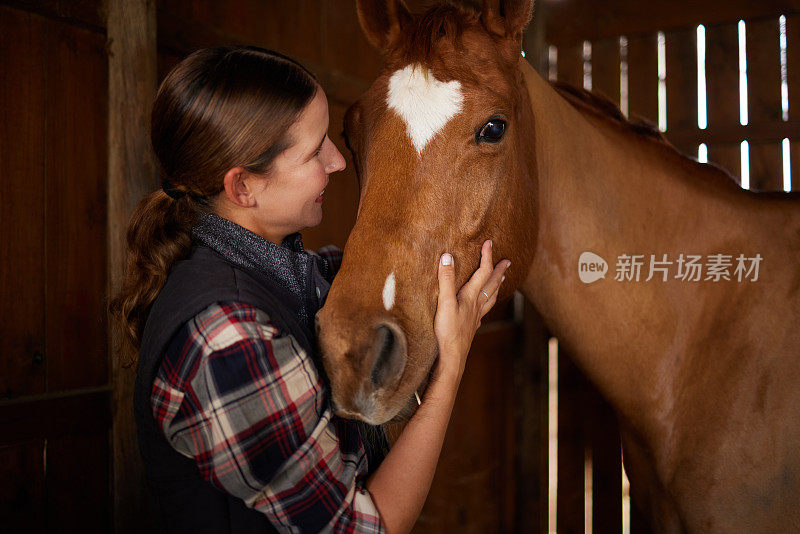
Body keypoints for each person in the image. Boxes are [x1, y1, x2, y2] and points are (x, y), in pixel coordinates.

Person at [110, 45, 510, 534]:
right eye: (316, 149)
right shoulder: (227, 340)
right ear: (242, 188)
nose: (339, 162)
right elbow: (361, 529)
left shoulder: (286, 272)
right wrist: (452, 361)